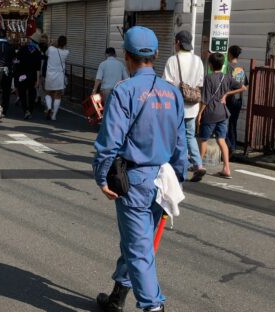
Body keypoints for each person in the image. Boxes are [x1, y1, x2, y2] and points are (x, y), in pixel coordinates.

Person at [93, 26, 187, 312]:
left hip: (131, 180)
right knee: (139, 242)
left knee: (138, 247)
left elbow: (109, 142)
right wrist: (178, 180)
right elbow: (181, 144)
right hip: (163, 177)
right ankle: (118, 296)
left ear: (127, 57)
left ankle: (152, 307)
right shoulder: (173, 93)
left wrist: (100, 175)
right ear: (157, 55)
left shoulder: (125, 91)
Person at [163, 30, 207, 182]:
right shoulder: (198, 61)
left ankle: (177, 165)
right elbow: (200, 84)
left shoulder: (172, 60)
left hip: (175, 106)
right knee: (190, 135)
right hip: (192, 105)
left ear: (178, 43)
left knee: (173, 136)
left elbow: (167, 85)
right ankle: (198, 164)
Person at [198, 52, 247, 179]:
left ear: (210, 65)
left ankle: (199, 165)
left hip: (210, 112)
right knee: (221, 139)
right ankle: (226, 168)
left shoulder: (208, 78)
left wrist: (199, 113)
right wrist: (226, 94)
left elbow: (205, 99)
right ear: (222, 64)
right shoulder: (227, 77)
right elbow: (243, 88)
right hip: (223, 113)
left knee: (203, 139)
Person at [226, 45, 248, 154]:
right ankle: (233, 146)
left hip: (230, 98)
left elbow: (226, 84)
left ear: (229, 54)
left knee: (226, 124)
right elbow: (246, 84)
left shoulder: (229, 68)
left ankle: (230, 147)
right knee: (233, 123)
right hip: (239, 100)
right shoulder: (241, 68)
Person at [14, 32, 42, 119]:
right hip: (32, 76)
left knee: (22, 93)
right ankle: (30, 110)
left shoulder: (23, 49)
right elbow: (38, 68)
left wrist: (16, 75)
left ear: (30, 40)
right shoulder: (38, 53)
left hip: (22, 75)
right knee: (32, 94)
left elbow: (16, 62)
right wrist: (37, 80)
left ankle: (25, 110)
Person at [0, 29, 15, 119]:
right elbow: (13, 59)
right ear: (6, 36)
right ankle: (4, 110)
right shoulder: (11, 46)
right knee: (6, 91)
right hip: (7, 70)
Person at [44, 36, 69, 121]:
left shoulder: (51, 49)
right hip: (60, 76)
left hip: (50, 75)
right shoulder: (66, 52)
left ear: (57, 42)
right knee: (58, 95)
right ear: (65, 43)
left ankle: (49, 108)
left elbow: (46, 53)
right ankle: (54, 115)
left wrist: (52, 44)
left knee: (48, 93)